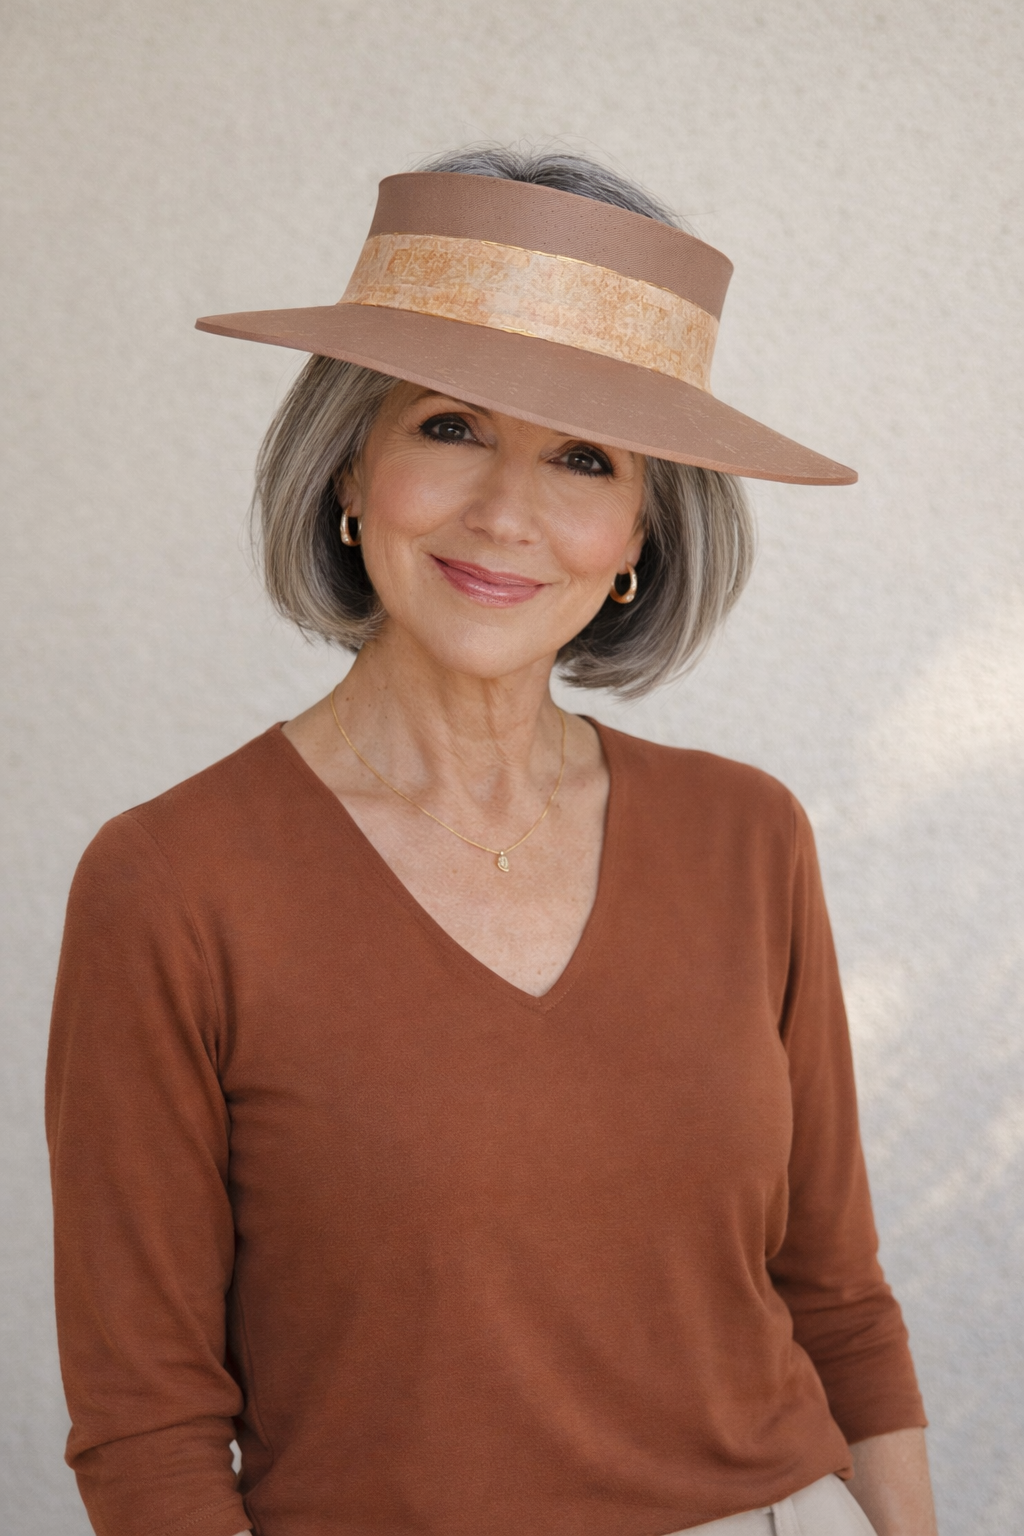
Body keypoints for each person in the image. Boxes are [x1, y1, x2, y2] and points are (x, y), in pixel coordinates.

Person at [46, 148, 939, 1536]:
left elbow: (836, 1293)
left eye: (584, 457)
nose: (507, 514)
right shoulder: (171, 883)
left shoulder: (746, 836)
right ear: (352, 466)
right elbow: (147, 1423)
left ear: (641, 532)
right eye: (452, 426)